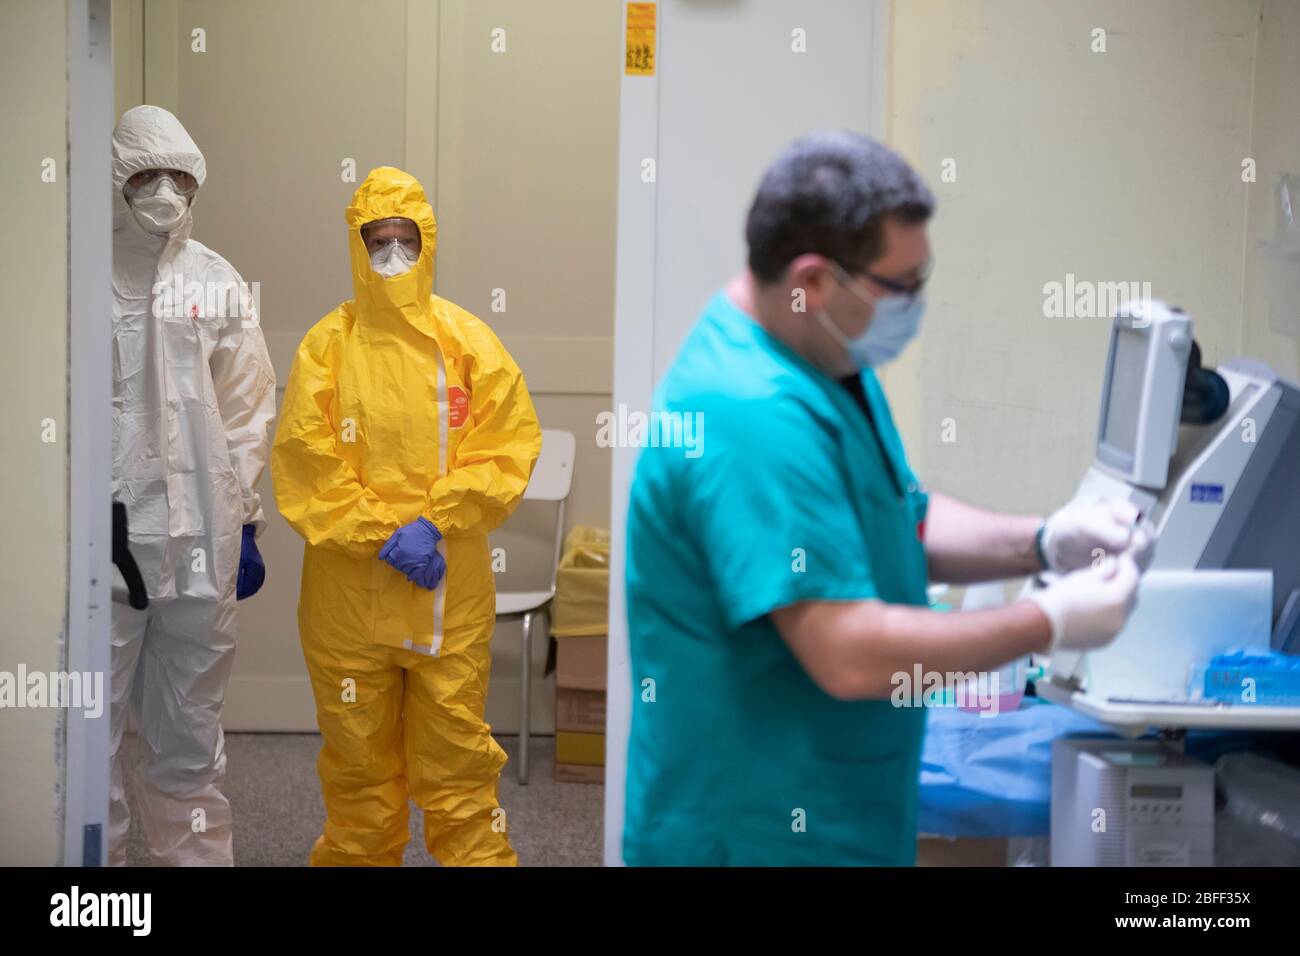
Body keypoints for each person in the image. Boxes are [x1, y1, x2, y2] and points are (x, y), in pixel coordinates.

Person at [622, 131, 1154, 866]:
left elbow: (899, 514)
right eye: (900, 285)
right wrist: (1047, 621)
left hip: (835, 813)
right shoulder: (746, 414)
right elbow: (847, 654)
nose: (914, 302)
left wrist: (1044, 539)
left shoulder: (826, 356)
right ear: (812, 278)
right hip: (755, 831)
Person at [272, 166, 541, 867]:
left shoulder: (467, 342)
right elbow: (305, 457)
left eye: (405, 240)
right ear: (356, 248)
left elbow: (507, 444)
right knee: (359, 768)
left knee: (457, 765)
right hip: (347, 599)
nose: (392, 255)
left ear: (429, 243)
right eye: (377, 240)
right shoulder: (327, 345)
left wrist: (437, 520)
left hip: (447, 594)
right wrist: (378, 532)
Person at [109, 105, 276, 866]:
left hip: (201, 551)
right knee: (86, 738)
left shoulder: (215, 278)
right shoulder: (74, 276)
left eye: (180, 176)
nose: (164, 191)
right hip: (104, 555)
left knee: (191, 732)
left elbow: (247, 408)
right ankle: (89, 885)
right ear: (117, 178)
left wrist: (244, 517)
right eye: (147, 175)